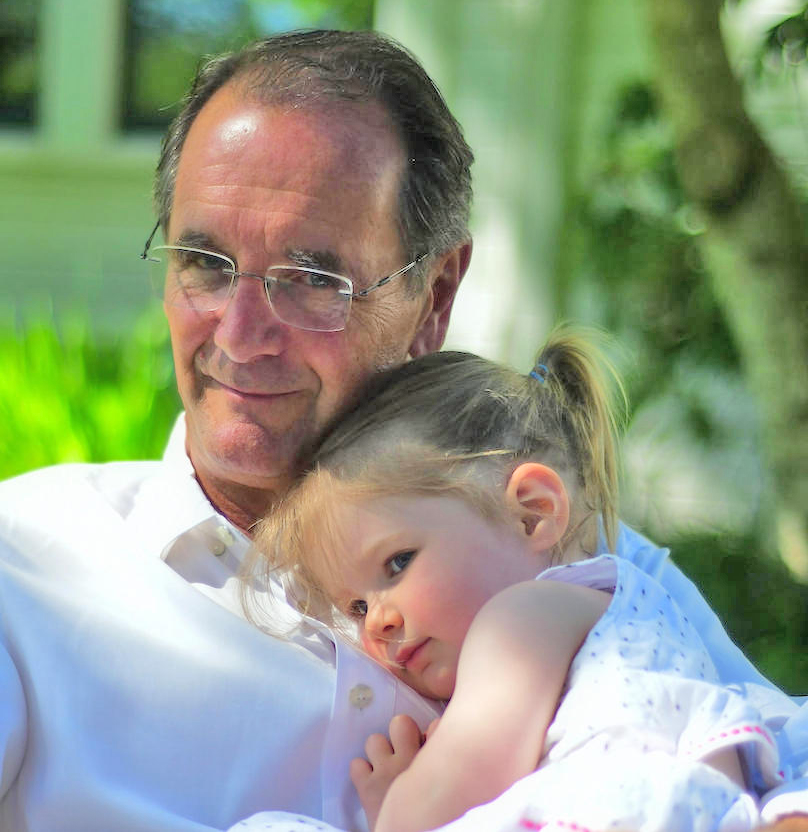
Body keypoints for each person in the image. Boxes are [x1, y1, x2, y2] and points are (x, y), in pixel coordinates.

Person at [0, 28, 803, 832]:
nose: (238, 333)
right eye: (204, 259)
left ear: (434, 294)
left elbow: (775, 762)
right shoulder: (19, 559)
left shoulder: (577, 570)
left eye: (310, 277)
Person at [242, 331, 807, 832]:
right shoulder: (622, 608)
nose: (380, 622)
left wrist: (399, 804)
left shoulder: (523, 618)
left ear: (532, 513)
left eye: (398, 564)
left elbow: (463, 776)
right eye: (358, 607)